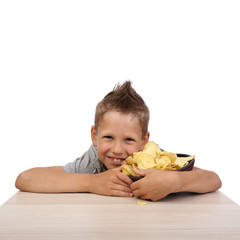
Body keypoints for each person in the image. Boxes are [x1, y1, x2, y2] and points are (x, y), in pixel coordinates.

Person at [15, 81, 222, 201]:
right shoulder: (93, 163)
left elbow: (213, 179)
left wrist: (173, 181)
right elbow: (25, 179)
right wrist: (92, 183)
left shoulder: (156, 161)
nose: (117, 149)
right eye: (108, 137)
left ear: (144, 141)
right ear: (94, 136)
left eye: (129, 140)